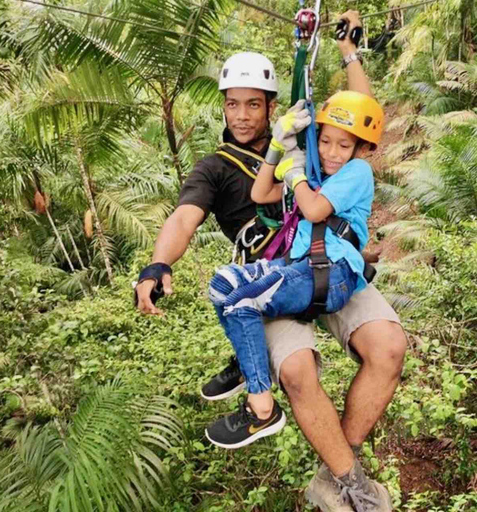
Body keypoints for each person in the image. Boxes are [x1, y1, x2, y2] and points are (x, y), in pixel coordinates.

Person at [134, 11, 406, 512]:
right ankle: (352, 485)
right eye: (232, 105)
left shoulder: (308, 138)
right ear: (224, 107)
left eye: (252, 105)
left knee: (389, 346)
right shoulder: (214, 169)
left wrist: (347, 50)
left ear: (270, 106)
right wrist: (158, 264)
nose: (241, 115)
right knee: (300, 370)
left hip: (330, 260)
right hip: (275, 279)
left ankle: (334, 470)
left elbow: (359, 114)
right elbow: (183, 219)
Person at [205, 93, 381, 450]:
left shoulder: (357, 172)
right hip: (303, 266)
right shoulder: (317, 176)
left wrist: (297, 175)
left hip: (334, 272)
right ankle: (249, 363)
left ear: (360, 149)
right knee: (223, 284)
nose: (332, 152)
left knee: (242, 304)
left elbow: (315, 211)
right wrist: (276, 147)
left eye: (343, 145)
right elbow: (260, 191)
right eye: (325, 141)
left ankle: (262, 408)